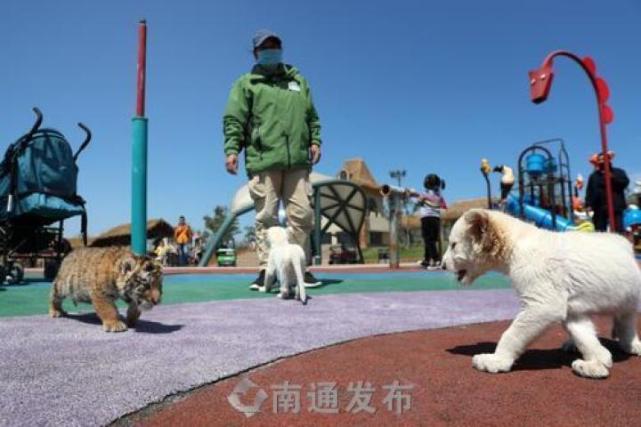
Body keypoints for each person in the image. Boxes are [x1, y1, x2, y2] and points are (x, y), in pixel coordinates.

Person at [223, 29, 322, 290]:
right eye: (265, 47)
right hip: (263, 159)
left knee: (302, 215)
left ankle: (299, 267)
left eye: (275, 46)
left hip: (298, 161)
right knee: (266, 216)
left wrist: (315, 140)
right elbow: (234, 119)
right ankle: (266, 268)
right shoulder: (247, 83)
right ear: (256, 53)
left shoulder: (297, 80)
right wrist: (232, 149)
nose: (271, 50)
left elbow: (312, 115)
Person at [585, 151, 629, 232]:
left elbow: (625, 183)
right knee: (600, 232)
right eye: (600, 160)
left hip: (615, 206)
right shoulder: (593, 176)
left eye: (605, 159)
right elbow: (589, 191)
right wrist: (588, 204)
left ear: (609, 160)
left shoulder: (618, 172)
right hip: (599, 207)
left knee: (618, 230)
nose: (602, 161)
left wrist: (613, 178)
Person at [414, 174, 447, 270]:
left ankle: (436, 259)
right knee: (431, 240)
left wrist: (412, 195)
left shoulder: (425, 194)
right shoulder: (439, 195)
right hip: (436, 218)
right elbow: (443, 205)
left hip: (426, 218)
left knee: (428, 239)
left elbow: (417, 202)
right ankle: (427, 259)